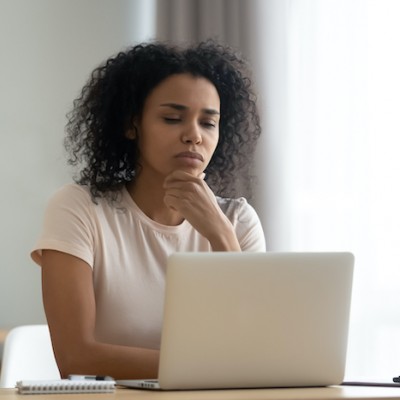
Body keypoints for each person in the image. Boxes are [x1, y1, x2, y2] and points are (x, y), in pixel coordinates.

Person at [31, 39, 266, 380]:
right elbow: (75, 357)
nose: (194, 136)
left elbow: (259, 350)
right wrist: (211, 368)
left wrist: (220, 235)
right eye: (173, 118)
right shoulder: (79, 209)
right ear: (131, 125)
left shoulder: (237, 221)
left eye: (208, 123)